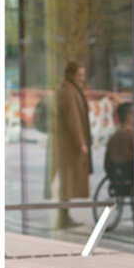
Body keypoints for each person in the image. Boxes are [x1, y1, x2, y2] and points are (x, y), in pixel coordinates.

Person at [48, 61, 92, 228]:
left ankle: (64, 216)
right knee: (67, 182)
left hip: (67, 144)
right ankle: (63, 217)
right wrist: (80, 143)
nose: (82, 78)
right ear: (71, 74)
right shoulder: (68, 91)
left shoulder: (70, 89)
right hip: (68, 145)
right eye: (80, 75)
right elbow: (73, 119)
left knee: (67, 182)